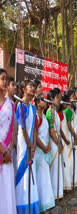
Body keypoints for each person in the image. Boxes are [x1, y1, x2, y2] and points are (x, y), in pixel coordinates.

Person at [15, 79, 40, 213]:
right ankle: (21, 206)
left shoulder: (33, 107)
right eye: (30, 86)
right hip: (23, 143)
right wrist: (29, 145)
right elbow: (23, 128)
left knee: (32, 173)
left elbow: (34, 129)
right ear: (24, 89)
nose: (33, 88)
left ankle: (32, 205)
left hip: (31, 145)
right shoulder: (20, 106)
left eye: (33, 86)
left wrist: (34, 145)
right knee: (23, 172)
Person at [34, 94, 55, 212]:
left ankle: (48, 202)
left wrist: (49, 146)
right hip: (39, 152)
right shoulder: (36, 118)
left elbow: (46, 133)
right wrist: (44, 147)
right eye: (42, 99)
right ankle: (42, 204)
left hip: (46, 150)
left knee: (46, 178)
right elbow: (35, 136)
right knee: (41, 179)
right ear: (37, 104)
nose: (45, 101)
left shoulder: (44, 117)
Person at [0, 69, 17, 214]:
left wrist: (9, 150)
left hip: (8, 154)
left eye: (6, 79)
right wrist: (3, 151)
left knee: (7, 188)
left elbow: (13, 129)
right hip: (2, 153)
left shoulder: (10, 104)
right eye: (2, 79)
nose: (5, 82)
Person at [46, 89, 63, 199]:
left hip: (57, 140)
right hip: (53, 143)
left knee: (58, 168)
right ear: (51, 99)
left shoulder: (55, 112)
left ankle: (58, 193)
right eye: (57, 98)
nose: (59, 100)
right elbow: (52, 131)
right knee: (54, 169)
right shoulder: (50, 112)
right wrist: (58, 143)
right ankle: (54, 194)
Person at [63, 90, 77, 189]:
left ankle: (75, 181)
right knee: (71, 160)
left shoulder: (71, 109)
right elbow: (69, 125)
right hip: (70, 137)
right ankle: (72, 182)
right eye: (73, 96)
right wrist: (75, 135)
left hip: (73, 135)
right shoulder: (67, 110)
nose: (74, 98)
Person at [6, 76, 18, 176]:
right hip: (5, 146)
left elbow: (14, 127)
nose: (15, 87)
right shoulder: (4, 103)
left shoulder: (13, 103)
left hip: (12, 145)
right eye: (12, 85)